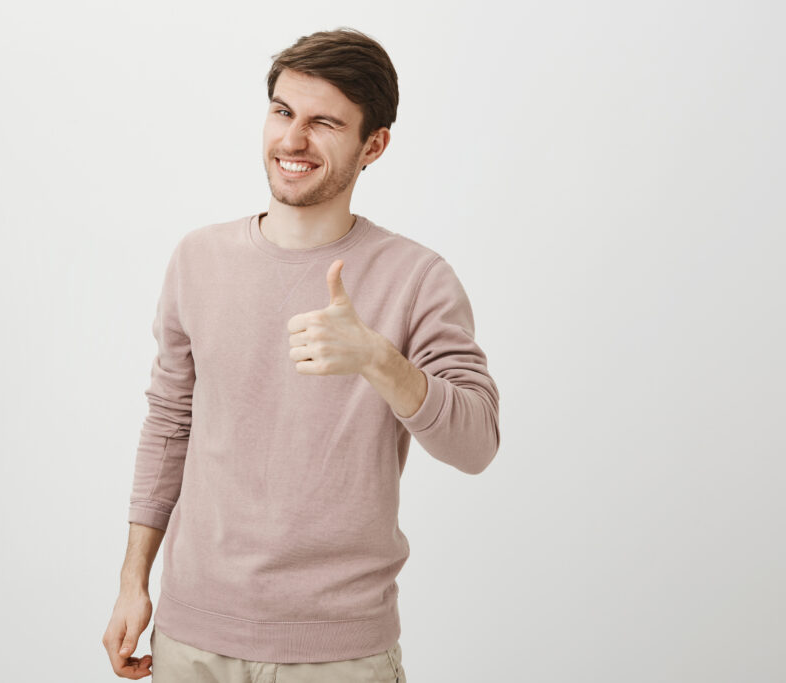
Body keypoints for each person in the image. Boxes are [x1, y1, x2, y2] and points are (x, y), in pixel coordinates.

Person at [102, 26, 500, 682]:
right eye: (283, 112)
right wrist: (132, 581)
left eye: (324, 123)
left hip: (339, 650)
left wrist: (379, 358)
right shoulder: (197, 259)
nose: (292, 140)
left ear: (374, 145)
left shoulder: (417, 278)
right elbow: (169, 427)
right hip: (191, 636)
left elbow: (478, 444)